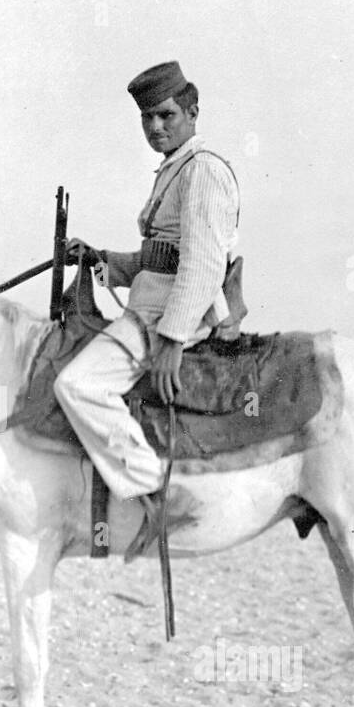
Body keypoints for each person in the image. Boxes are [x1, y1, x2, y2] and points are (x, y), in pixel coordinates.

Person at [53, 61, 240, 559]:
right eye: (147, 119)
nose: (156, 127)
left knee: (77, 385)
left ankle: (157, 492)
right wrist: (102, 261)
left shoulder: (203, 170)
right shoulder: (176, 167)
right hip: (156, 305)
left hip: (171, 316)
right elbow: (159, 258)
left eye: (166, 115)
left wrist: (173, 342)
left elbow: (201, 264)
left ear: (193, 111)